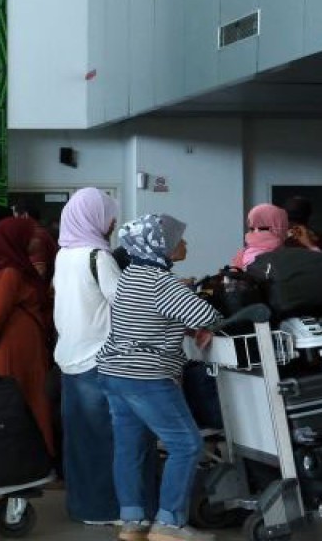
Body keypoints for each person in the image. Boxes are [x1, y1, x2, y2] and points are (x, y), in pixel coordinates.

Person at [97, 214, 221, 541]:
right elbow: (209, 316)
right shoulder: (161, 282)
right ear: (160, 245)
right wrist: (194, 302)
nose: (185, 243)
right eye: (178, 239)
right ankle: (169, 524)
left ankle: (133, 522)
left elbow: (151, 314)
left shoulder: (132, 274)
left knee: (130, 448)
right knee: (187, 444)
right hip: (146, 377)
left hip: (114, 372)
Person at [52, 188, 122, 524]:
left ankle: (81, 506)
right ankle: (103, 509)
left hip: (69, 356)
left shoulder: (63, 255)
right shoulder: (99, 257)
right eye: (109, 216)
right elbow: (124, 304)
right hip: (98, 360)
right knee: (105, 438)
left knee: (80, 439)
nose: (112, 224)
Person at [0, 217, 56, 458]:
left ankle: (22, 457)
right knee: (32, 395)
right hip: (23, 339)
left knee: (17, 397)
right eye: (28, 236)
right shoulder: (16, 270)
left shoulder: (8, 271)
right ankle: (41, 454)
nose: (35, 240)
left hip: (13, 341)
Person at [232, 204, 318, 270]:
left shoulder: (242, 256)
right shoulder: (287, 257)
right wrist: (310, 245)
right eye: (283, 224)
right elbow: (320, 269)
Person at [13, 199, 60, 283]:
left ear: (25, 215)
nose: (12, 223)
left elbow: (39, 271)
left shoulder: (35, 236)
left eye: (15, 218)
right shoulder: (39, 233)